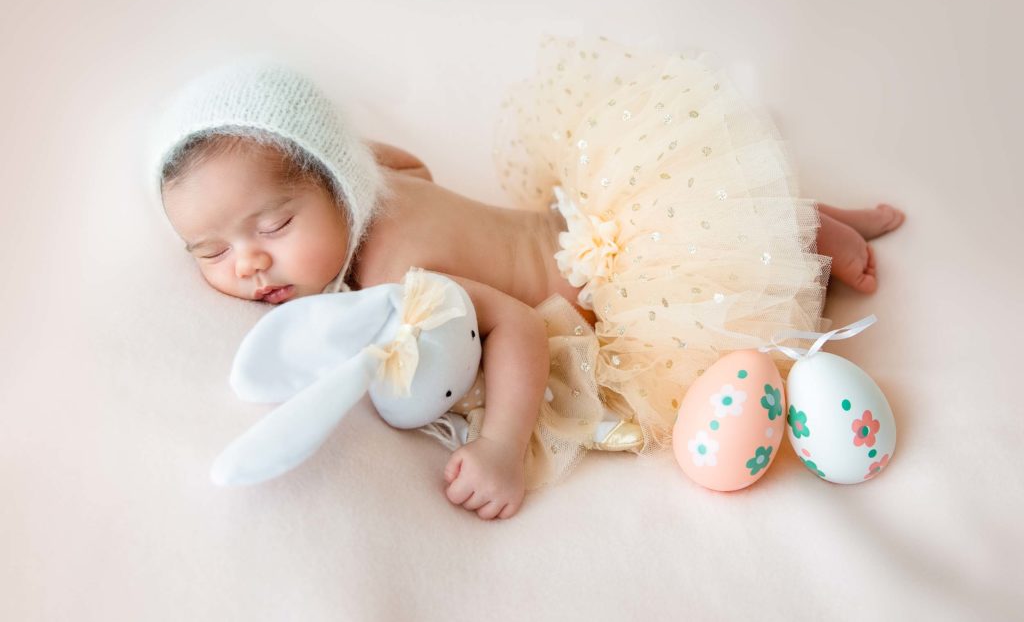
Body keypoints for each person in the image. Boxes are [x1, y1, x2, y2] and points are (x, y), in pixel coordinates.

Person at [149, 36, 904, 521]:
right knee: (715, 206)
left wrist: (503, 445)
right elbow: (414, 167)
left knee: (732, 256)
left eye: (273, 227)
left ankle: (816, 226)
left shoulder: (396, 273)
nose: (247, 264)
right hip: (584, 210)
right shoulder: (373, 176)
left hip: (610, 272)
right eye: (208, 252)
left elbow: (513, 324)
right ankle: (809, 215)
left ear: (335, 183)